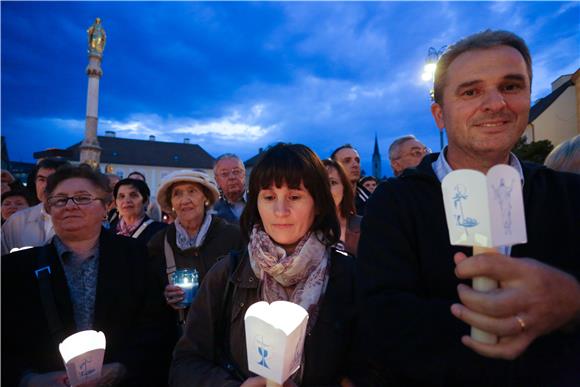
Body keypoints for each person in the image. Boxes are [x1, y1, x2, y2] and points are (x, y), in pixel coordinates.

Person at [357, 29, 580, 386]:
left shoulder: (569, 194)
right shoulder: (394, 203)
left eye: (511, 86)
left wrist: (571, 301)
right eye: (471, 91)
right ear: (439, 115)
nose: (495, 103)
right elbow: (379, 324)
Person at [170, 143, 358, 386]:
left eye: (294, 196)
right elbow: (184, 365)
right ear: (256, 203)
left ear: (318, 203)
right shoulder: (227, 273)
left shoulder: (348, 275)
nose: (280, 211)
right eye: (269, 197)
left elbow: (375, 366)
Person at [1, 165, 175, 386]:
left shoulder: (138, 256)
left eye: (82, 198)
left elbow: (157, 326)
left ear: (105, 208)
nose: (70, 206)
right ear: (48, 209)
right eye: (60, 200)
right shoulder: (16, 268)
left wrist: (123, 367)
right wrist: (28, 379)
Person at [148, 170, 242, 322]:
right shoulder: (159, 242)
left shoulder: (232, 236)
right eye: (177, 194)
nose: (185, 200)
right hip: (180, 333)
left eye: (192, 191)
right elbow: (149, 289)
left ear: (205, 197)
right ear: (171, 203)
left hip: (224, 330)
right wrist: (164, 294)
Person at [1, 158, 70, 255]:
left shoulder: (84, 221)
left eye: (53, 179)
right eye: (41, 179)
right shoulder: (16, 222)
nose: (45, 186)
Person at [323, 159, 361, 256]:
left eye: (332, 182)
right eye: (320, 183)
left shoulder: (365, 226)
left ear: (344, 188)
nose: (326, 189)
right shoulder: (301, 230)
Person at [110, 178, 166, 245]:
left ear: (146, 201)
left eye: (133, 195)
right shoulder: (108, 232)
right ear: (116, 203)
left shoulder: (161, 232)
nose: (126, 201)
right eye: (121, 196)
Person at [331, 144, 370, 215]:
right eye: (347, 161)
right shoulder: (324, 202)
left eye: (357, 160)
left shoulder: (373, 202)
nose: (355, 165)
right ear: (334, 168)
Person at [212, 153, 247, 224]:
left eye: (236, 172)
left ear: (244, 174)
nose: (232, 177)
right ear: (217, 180)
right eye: (224, 174)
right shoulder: (212, 212)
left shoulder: (259, 201)